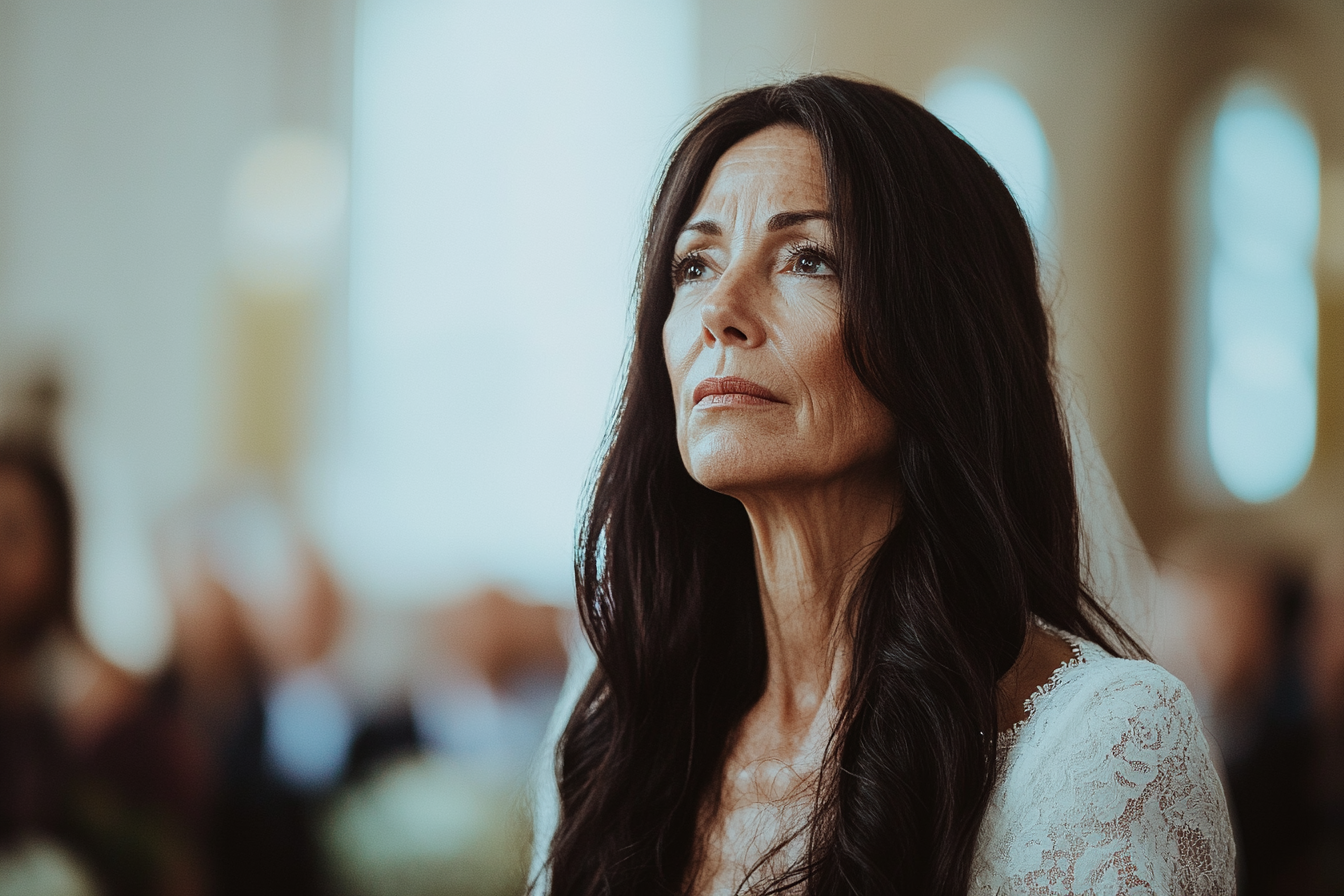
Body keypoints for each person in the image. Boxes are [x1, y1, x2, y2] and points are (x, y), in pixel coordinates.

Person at [538, 76, 1234, 895]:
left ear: (938, 331)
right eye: (694, 264)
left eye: (807, 259)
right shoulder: (623, 724)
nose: (719, 310)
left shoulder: (1100, 745)